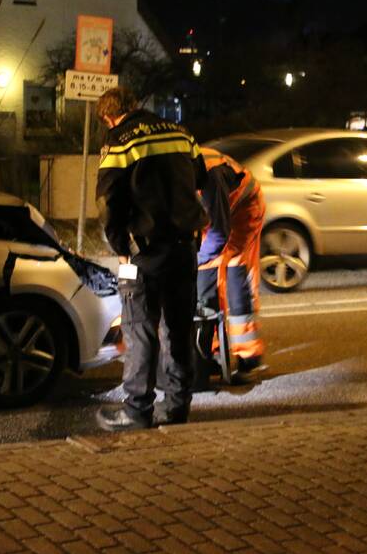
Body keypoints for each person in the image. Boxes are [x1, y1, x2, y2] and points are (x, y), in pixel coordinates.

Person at [94, 87, 208, 430]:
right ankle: (176, 407)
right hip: (184, 247)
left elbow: (107, 200)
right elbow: (200, 177)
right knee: (178, 327)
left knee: (140, 328)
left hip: (143, 251)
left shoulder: (120, 141)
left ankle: (137, 409)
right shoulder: (180, 133)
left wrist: (120, 245)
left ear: (109, 117)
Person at [195, 147, 266, 385]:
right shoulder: (176, 172)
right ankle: (211, 352)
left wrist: (193, 261)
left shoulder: (211, 177)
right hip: (216, 215)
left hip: (244, 209)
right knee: (204, 282)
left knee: (236, 275)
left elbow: (218, 235)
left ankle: (249, 357)